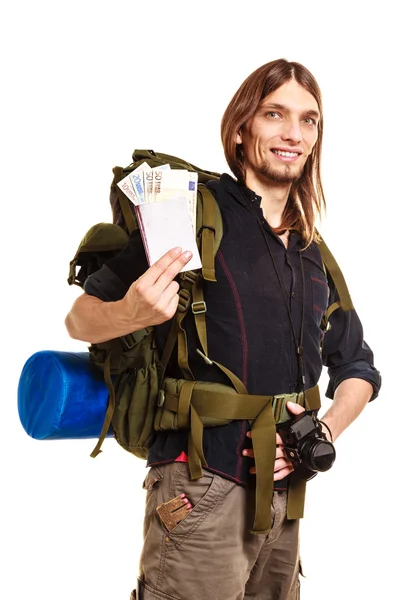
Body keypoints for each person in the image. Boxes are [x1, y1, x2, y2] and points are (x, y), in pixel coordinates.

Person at [65, 58, 381, 600]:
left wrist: (325, 431)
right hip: (200, 484)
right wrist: (131, 314)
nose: (293, 133)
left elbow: (359, 369)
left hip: (286, 494)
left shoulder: (312, 252)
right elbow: (80, 317)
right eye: (275, 114)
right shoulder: (186, 213)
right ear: (241, 129)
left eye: (309, 120)